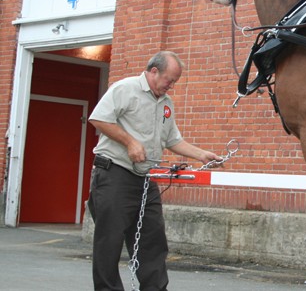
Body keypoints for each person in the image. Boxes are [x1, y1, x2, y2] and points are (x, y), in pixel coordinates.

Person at [87, 51, 222, 291]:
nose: (171, 85)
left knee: (152, 240)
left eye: (175, 82)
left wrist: (202, 155)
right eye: (169, 79)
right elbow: (99, 119)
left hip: (146, 178)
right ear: (153, 71)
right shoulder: (125, 89)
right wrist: (130, 142)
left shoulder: (166, 103)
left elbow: (172, 140)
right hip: (115, 174)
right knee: (110, 242)